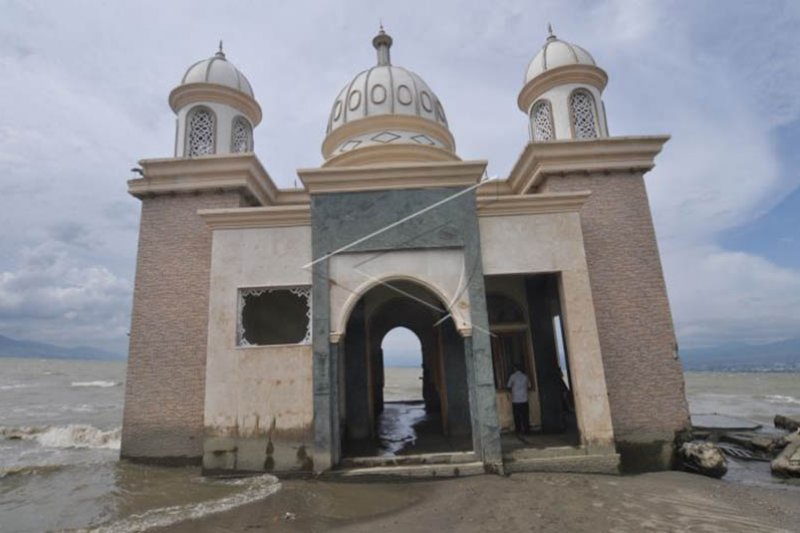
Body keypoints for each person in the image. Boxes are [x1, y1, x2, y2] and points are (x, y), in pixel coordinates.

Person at [507, 364, 531, 434]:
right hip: (524, 399)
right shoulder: (525, 376)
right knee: (525, 416)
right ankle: (526, 430)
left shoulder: (512, 376)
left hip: (516, 400)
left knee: (517, 416)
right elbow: (529, 386)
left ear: (515, 369)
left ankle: (518, 429)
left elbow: (508, 386)